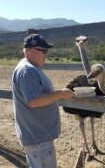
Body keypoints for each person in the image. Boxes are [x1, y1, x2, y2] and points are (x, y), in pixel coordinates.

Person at [12, 34, 74, 168]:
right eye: (44, 51)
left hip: (38, 135)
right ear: (31, 50)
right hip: (37, 137)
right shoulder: (27, 71)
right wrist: (60, 94)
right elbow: (34, 101)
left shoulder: (31, 68)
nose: (46, 54)